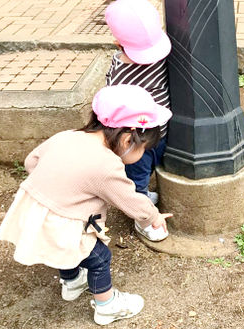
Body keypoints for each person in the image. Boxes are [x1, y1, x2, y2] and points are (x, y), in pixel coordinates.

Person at [0, 85, 173, 326]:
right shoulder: (106, 165)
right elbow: (130, 200)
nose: (142, 155)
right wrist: (153, 216)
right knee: (99, 258)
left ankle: (71, 282)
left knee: (65, 252)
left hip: (36, 212)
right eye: (143, 149)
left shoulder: (68, 135)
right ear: (128, 139)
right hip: (63, 222)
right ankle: (107, 306)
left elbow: (31, 161)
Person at [104, 0, 172, 242]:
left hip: (154, 133)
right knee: (138, 177)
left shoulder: (152, 58)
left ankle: (142, 196)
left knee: (147, 170)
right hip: (138, 140)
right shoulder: (156, 57)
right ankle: (142, 217)